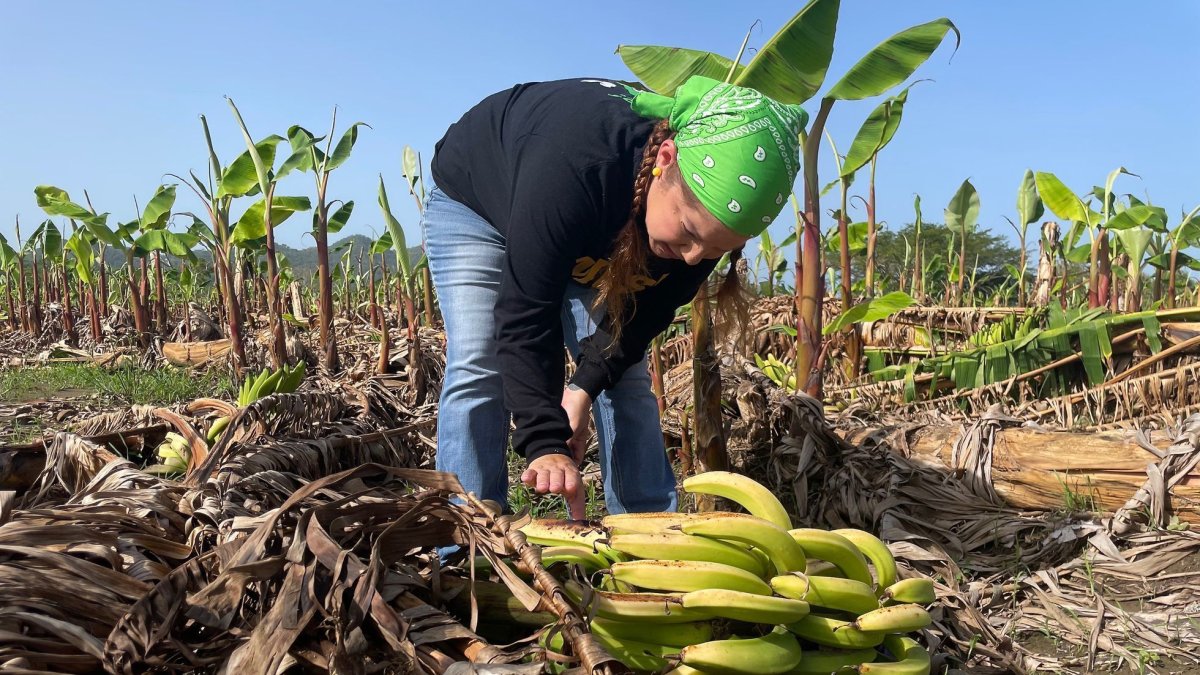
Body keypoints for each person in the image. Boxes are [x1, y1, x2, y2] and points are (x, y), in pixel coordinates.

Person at [422, 75, 807, 521]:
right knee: (479, 361)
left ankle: (647, 530)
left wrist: (581, 389)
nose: (694, 257)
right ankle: (467, 532)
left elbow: (642, 319)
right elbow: (526, 310)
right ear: (665, 159)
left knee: (623, 379)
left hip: (598, 224)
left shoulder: (696, 234)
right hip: (480, 203)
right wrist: (545, 443)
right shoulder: (578, 165)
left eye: (718, 250)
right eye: (688, 232)